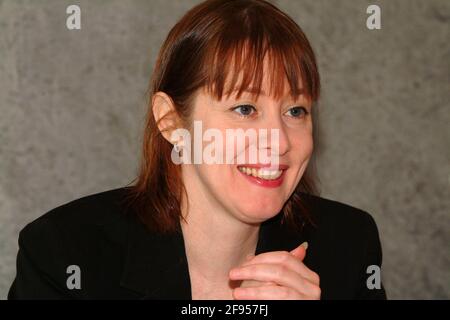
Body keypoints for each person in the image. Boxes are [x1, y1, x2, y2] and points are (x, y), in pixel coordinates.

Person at [8, 0, 386, 300]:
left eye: (295, 111)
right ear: (171, 122)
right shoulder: (66, 253)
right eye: (245, 108)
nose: (280, 141)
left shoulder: (349, 246)